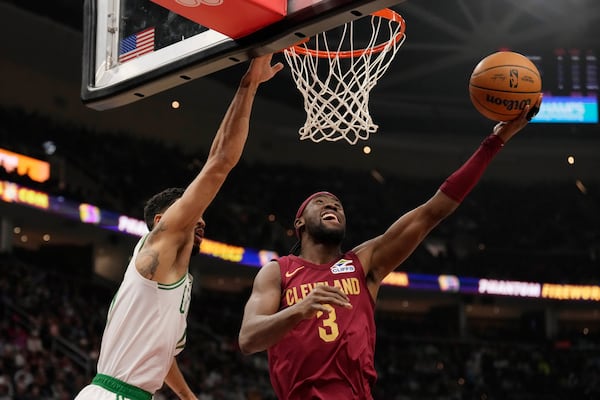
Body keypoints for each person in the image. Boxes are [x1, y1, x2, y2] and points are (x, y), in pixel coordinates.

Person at [238, 96, 543, 399]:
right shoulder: (278, 272)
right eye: (320, 202)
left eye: (337, 204)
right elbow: (249, 338)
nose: (332, 204)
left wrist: (496, 139)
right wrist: (300, 310)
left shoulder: (364, 262)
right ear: (300, 223)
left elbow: (432, 212)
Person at [75, 54, 283, 400]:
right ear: (161, 222)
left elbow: (162, 355)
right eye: (190, 212)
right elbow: (220, 163)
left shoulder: (180, 281)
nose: (201, 218)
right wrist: (248, 85)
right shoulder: (158, 245)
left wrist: (188, 398)